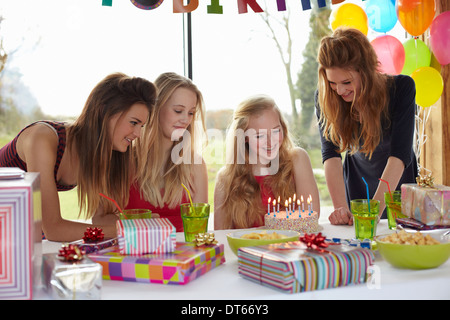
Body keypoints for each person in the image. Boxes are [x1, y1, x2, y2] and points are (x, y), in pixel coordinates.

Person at [0, 72, 157, 241]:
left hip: (20, 230)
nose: (138, 134)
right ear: (104, 112)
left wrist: (140, 224)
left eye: (142, 126)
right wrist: (129, 229)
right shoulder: (43, 139)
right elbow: (54, 229)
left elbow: (102, 218)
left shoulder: (104, 154)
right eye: (134, 122)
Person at [315, 28, 418, 225]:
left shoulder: (402, 89)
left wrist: (374, 211)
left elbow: (399, 155)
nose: (340, 90)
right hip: (357, 185)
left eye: (346, 82)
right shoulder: (325, 98)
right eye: (332, 83)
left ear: (366, 71)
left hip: (397, 187)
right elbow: (331, 156)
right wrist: (340, 208)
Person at [214, 95, 320, 229]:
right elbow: (221, 234)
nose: (271, 142)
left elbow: (312, 217)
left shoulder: (297, 159)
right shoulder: (226, 178)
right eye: (260, 136)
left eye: (276, 131)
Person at [126, 72, 208, 231]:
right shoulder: (125, 160)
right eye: (178, 111)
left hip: (184, 254)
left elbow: (199, 229)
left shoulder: (195, 165)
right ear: (155, 109)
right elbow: (103, 220)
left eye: (191, 113)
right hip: (137, 252)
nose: (186, 120)